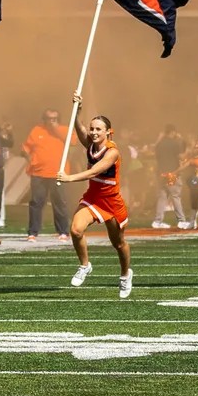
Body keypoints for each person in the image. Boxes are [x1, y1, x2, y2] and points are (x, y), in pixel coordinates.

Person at [55, 114, 132, 298]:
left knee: (119, 244)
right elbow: (80, 129)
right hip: (92, 198)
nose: (94, 132)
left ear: (108, 132)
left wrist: (70, 178)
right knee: (76, 230)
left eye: (98, 129)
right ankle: (84, 265)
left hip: (111, 202)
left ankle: (125, 275)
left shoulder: (112, 152)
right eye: (92, 129)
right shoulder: (90, 145)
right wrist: (77, 111)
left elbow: (94, 171)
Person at [23, 108, 68, 238]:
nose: (52, 121)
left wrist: (56, 129)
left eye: (55, 119)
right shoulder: (37, 130)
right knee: (36, 202)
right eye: (49, 119)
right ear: (44, 119)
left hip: (58, 173)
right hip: (38, 173)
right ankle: (33, 232)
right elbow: (26, 147)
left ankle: (63, 231)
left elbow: (73, 142)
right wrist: (30, 159)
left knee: (59, 202)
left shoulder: (64, 130)